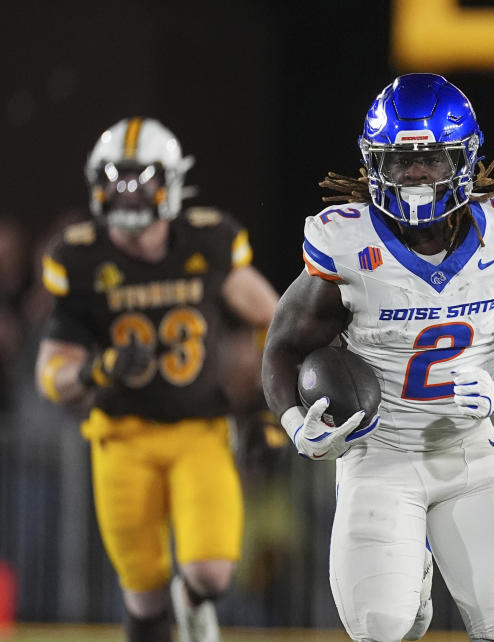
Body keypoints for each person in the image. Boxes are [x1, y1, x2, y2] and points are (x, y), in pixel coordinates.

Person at [262, 73, 494, 642]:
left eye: (430, 159)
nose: (415, 175)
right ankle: (411, 572)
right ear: (374, 163)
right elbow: (283, 346)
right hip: (380, 454)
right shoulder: (346, 243)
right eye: (401, 162)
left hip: (471, 451)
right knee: (382, 628)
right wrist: (294, 426)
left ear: (465, 158)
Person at [34, 117, 278, 642]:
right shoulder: (80, 258)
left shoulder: (207, 241)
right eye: (115, 179)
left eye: (140, 179)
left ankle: (190, 603)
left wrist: (266, 407)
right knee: (142, 591)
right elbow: (50, 376)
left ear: (171, 180)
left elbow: (278, 322)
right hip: (122, 437)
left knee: (210, 573)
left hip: (200, 429)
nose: (127, 193)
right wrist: (96, 370)